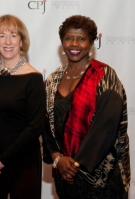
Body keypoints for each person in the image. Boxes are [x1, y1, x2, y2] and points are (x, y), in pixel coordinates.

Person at [43, 15, 130, 199]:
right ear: (62, 42)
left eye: (81, 39)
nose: (74, 44)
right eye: (69, 38)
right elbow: (46, 124)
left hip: (101, 177)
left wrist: (74, 166)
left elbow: (105, 128)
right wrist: (57, 158)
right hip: (64, 174)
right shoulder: (53, 79)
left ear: (91, 43)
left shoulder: (105, 75)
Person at [0, 15, 46, 199]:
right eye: (2, 36)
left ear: (21, 41)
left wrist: (3, 160)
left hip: (23, 163)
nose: (7, 41)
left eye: (13, 35)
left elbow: (35, 126)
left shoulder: (33, 78)